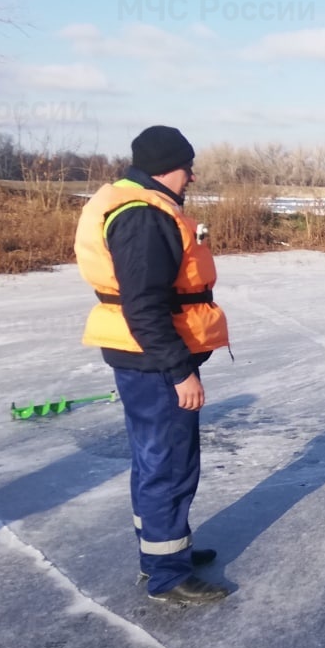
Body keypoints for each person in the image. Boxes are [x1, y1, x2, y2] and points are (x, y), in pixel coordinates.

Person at [75, 125, 230, 604]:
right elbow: (143, 305)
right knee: (168, 463)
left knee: (152, 459)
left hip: (146, 357)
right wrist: (180, 370)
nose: (192, 176)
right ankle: (167, 574)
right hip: (156, 361)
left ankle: (161, 552)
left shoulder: (135, 204)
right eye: (188, 166)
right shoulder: (143, 217)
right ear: (168, 166)